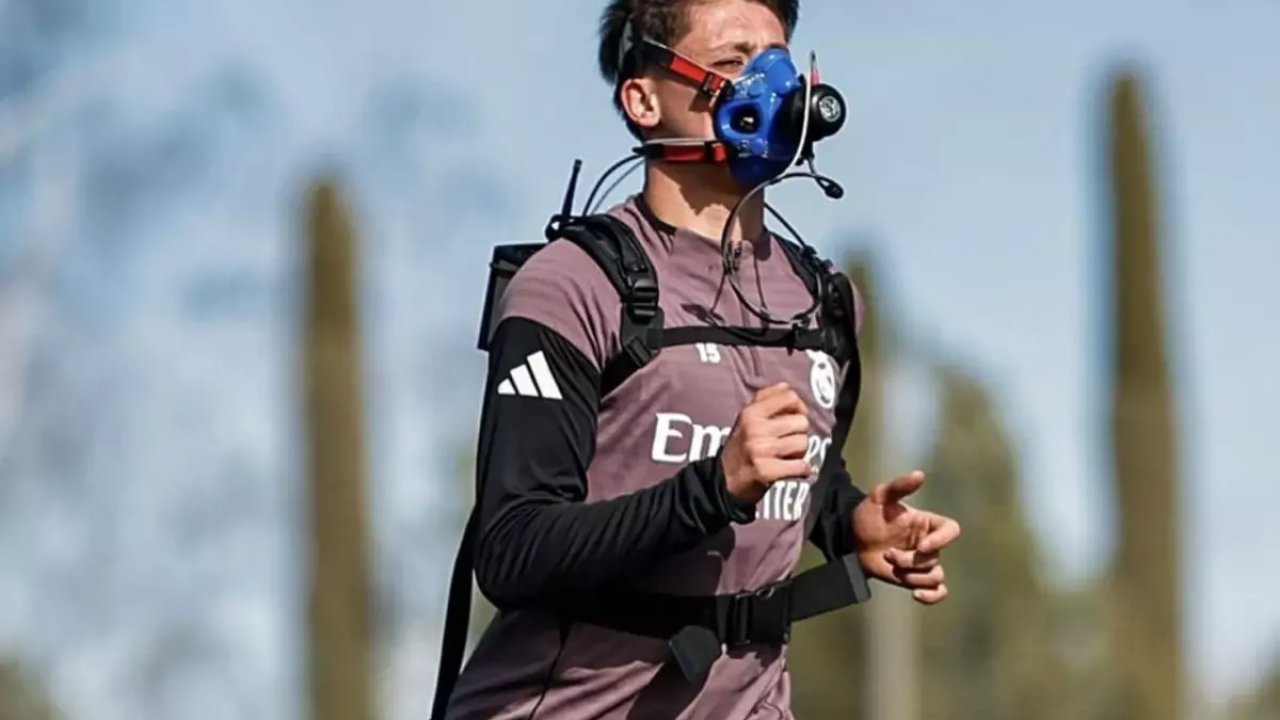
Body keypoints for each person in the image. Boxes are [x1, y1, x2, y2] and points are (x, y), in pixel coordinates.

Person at [436, 0, 962, 718]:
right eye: (732, 61)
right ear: (643, 99)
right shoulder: (571, 286)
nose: (772, 84)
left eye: (778, 58)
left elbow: (804, 471)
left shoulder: (825, 300)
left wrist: (849, 523)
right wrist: (714, 487)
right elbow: (512, 549)